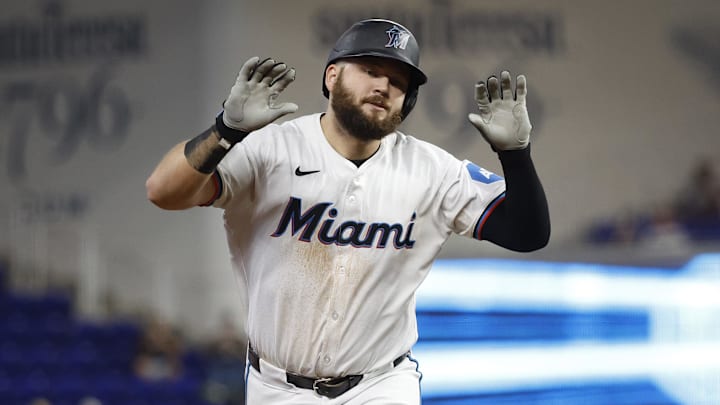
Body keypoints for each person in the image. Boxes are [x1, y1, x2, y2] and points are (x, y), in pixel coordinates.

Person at [146, 18, 550, 404]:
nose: (383, 86)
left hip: (381, 384)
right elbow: (162, 192)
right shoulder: (270, 150)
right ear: (332, 76)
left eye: (397, 81)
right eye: (370, 70)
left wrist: (515, 156)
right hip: (278, 387)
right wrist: (225, 132)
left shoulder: (433, 171)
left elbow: (527, 234)